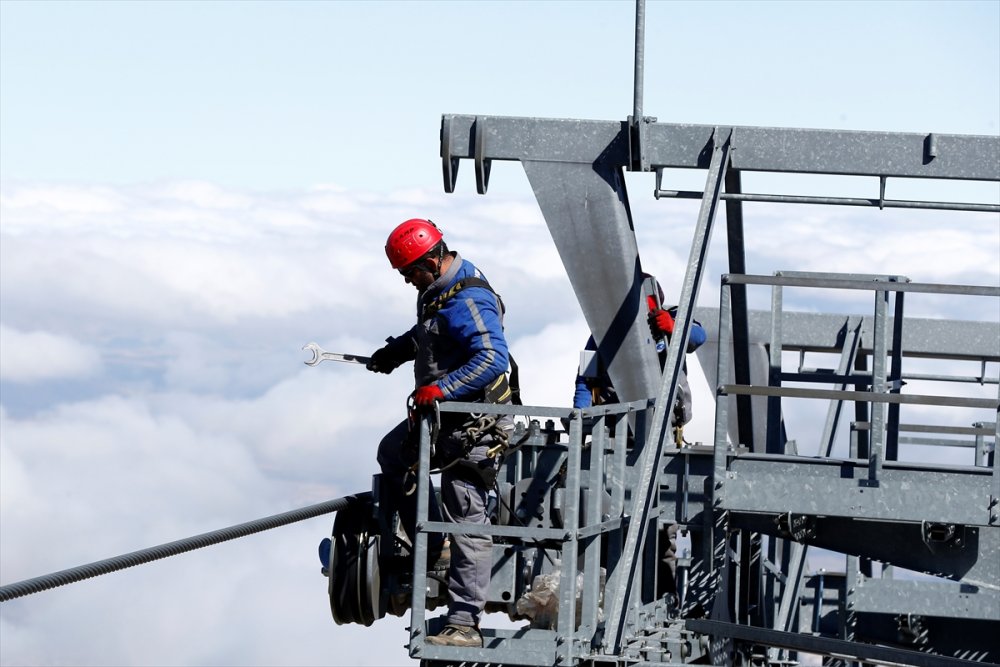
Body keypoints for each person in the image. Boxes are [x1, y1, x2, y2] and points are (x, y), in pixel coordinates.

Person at [366, 218, 514, 648]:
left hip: (474, 425)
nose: (407, 280)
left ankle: (465, 623)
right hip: (443, 419)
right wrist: (397, 352)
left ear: (432, 260)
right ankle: (433, 548)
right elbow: (435, 331)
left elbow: (493, 358)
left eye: (410, 272)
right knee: (393, 454)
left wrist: (442, 389)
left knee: (465, 512)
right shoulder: (440, 290)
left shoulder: (469, 299)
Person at [573, 275, 706, 443]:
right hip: (614, 427)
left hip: (664, 425)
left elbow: (699, 336)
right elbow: (586, 376)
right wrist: (580, 416)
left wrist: (674, 327)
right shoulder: (602, 332)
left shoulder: (671, 318)